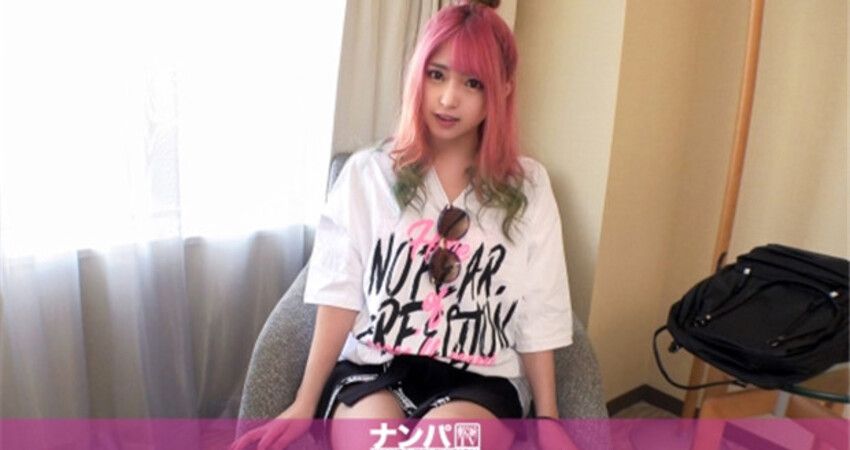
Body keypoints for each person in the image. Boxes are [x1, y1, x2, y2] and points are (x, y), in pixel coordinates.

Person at [232, 1, 575, 448]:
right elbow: (339, 291)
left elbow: (540, 307)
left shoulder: (528, 187)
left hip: (481, 380)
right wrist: (304, 401)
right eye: (437, 74)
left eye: (473, 83)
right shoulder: (368, 174)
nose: (448, 98)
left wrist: (547, 418)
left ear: (503, 89)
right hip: (372, 368)